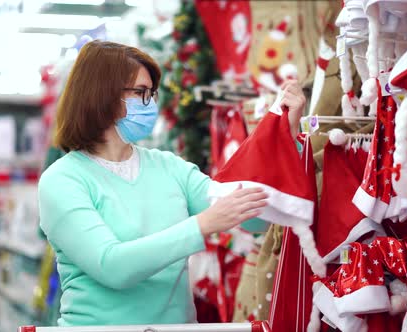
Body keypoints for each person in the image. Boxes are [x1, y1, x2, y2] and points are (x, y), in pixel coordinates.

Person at [38, 40, 306, 327]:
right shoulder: (62, 180)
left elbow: (254, 220)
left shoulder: (169, 167)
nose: (151, 104)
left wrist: (285, 138)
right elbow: (112, 266)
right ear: (100, 94)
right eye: (140, 93)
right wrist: (202, 225)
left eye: (152, 94)